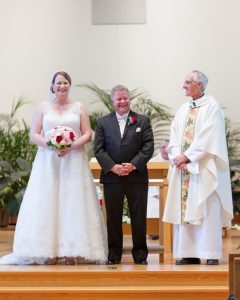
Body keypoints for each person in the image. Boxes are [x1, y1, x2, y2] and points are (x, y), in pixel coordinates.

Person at [0, 71, 107, 265]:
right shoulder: (43, 107)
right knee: (48, 201)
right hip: (48, 161)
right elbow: (34, 134)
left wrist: (71, 146)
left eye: (65, 83)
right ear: (52, 86)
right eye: (58, 83)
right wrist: (51, 145)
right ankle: (48, 250)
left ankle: (71, 250)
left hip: (73, 160)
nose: (62, 86)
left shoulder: (79, 107)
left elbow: (87, 134)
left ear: (69, 85)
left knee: (73, 203)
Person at [163, 70, 233, 265]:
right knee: (184, 211)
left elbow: (210, 137)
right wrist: (177, 157)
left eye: (187, 82)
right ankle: (188, 253)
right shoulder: (183, 109)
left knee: (207, 208)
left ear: (199, 85)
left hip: (203, 167)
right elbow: (174, 135)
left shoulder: (212, 107)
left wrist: (188, 157)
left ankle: (210, 252)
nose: (183, 86)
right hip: (183, 168)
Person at [94, 85, 154, 265]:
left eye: (125, 98)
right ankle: (114, 254)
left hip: (137, 177)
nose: (122, 102)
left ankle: (141, 255)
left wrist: (133, 165)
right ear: (112, 101)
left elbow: (148, 146)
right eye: (118, 99)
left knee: (139, 216)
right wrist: (112, 167)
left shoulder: (142, 121)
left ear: (129, 99)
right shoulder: (103, 122)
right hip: (112, 178)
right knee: (113, 217)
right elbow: (98, 149)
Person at [147, 139, 169, 240]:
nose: (165, 150)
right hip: (157, 194)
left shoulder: (176, 161)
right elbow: (149, 181)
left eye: (167, 147)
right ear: (160, 149)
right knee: (153, 203)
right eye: (163, 147)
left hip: (172, 194)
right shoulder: (153, 162)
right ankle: (154, 231)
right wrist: (157, 194)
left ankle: (171, 232)